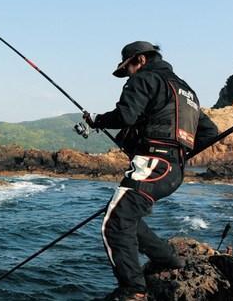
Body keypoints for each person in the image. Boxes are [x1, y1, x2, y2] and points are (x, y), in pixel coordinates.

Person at [83, 41, 218, 301]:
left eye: (129, 67)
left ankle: (134, 290)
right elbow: (210, 133)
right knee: (127, 217)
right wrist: (177, 151)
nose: (130, 73)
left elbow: (126, 116)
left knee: (115, 222)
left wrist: (98, 121)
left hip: (154, 165)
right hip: (173, 171)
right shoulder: (187, 91)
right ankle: (168, 259)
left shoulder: (145, 78)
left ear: (140, 60)